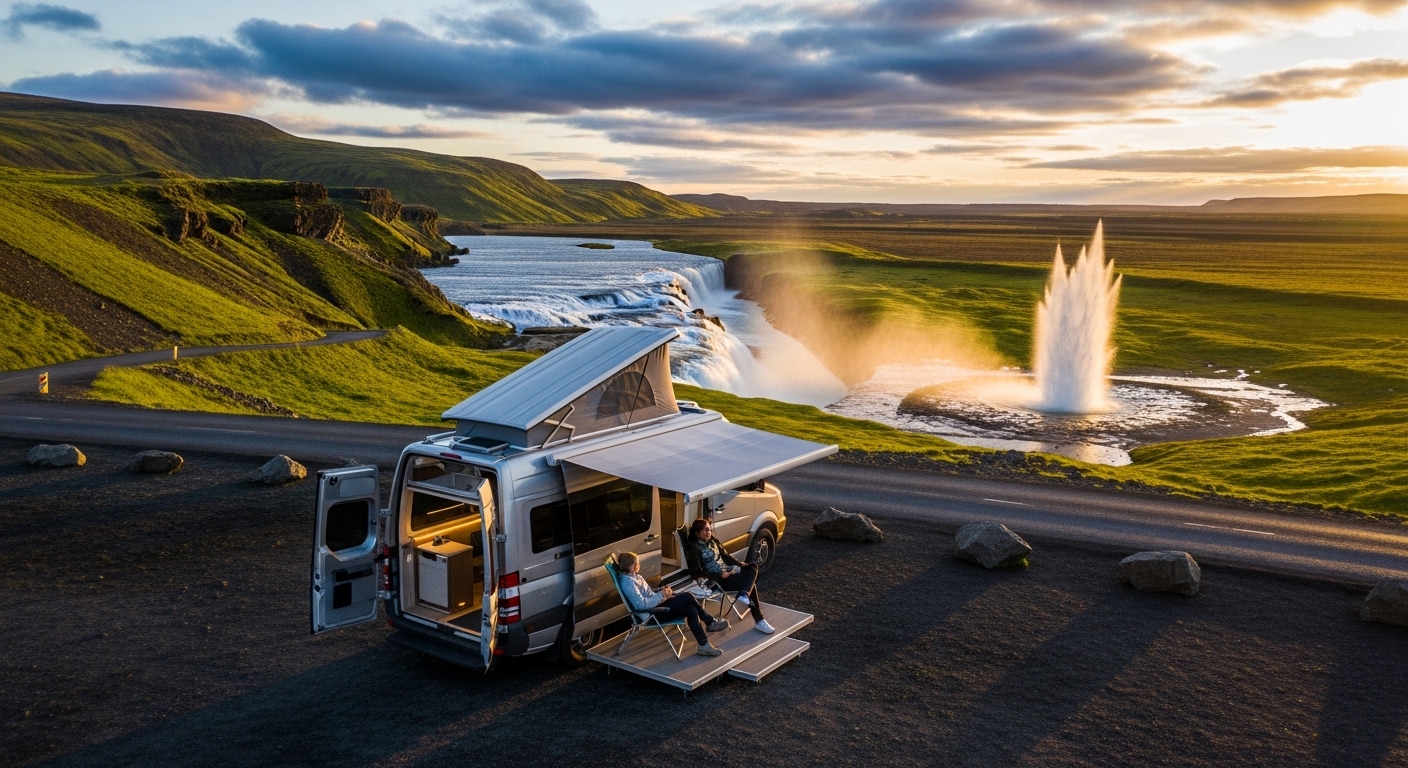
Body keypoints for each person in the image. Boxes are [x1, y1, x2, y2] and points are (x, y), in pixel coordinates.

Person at [616, 551, 729, 657]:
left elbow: (649, 595)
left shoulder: (635, 576)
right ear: (632, 566)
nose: (639, 564)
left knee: (691, 609)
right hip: (652, 614)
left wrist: (664, 593)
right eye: (637, 562)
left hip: (658, 606)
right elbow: (642, 604)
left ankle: (704, 646)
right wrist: (660, 596)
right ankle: (710, 622)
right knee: (687, 596)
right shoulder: (628, 582)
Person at [687, 518, 774, 634]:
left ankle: (745, 594)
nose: (709, 532)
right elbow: (696, 571)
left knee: (752, 566)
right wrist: (719, 575)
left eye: (710, 530)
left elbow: (726, 556)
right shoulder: (693, 548)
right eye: (706, 530)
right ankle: (759, 619)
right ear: (697, 533)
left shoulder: (713, 540)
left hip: (726, 572)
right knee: (750, 585)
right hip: (717, 579)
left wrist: (739, 564)